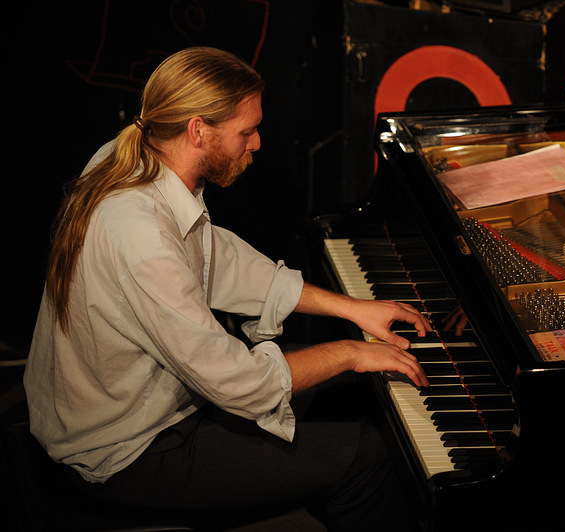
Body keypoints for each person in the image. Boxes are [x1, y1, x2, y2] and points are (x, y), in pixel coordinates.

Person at [23, 46, 431, 531]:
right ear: (198, 129)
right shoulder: (141, 236)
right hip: (128, 449)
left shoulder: (130, 154)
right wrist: (348, 352)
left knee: (353, 388)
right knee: (366, 456)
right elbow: (236, 381)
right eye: (247, 130)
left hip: (142, 408)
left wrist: (351, 310)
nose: (256, 143)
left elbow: (218, 259)